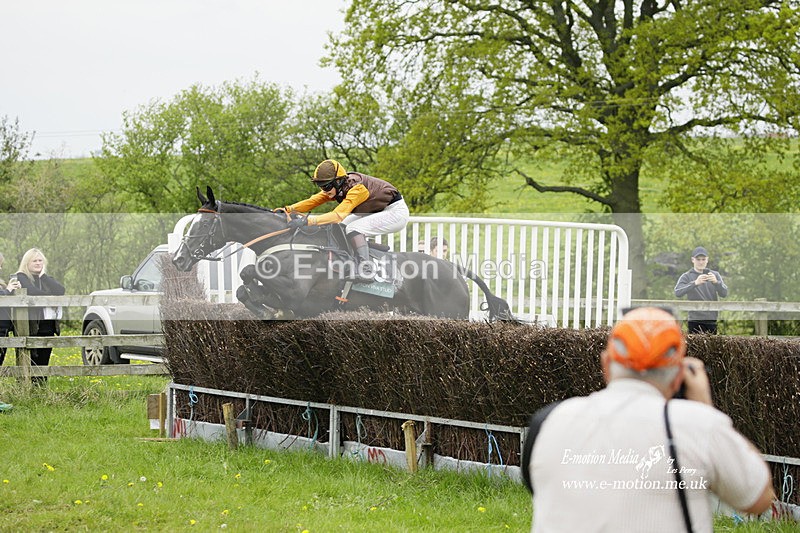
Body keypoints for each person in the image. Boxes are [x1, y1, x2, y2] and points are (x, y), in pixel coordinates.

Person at [521, 307, 774, 533]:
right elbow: (757, 498)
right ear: (678, 376)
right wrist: (706, 408)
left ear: (606, 364)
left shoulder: (547, 422)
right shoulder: (698, 426)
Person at [277, 159, 410, 281]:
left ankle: (366, 269)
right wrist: (288, 209)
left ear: (338, 181)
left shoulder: (357, 189)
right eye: (321, 186)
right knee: (341, 227)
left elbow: (336, 216)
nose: (324, 190)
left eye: (327, 186)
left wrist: (308, 221)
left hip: (395, 212)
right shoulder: (338, 187)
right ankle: (351, 261)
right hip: (376, 211)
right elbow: (313, 201)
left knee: (353, 228)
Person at [14, 248, 65, 379]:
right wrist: (50, 299)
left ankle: (41, 392)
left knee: (43, 364)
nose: (38, 263)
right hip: (30, 327)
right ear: (27, 263)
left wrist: (44, 276)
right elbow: (33, 292)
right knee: (30, 362)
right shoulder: (21, 277)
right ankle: (26, 391)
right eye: (34, 261)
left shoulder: (46, 279)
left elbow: (60, 290)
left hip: (47, 327)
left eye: (40, 260)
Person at [674, 246, 728, 333]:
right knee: (694, 346)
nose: (701, 262)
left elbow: (725, 293)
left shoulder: (715, 275)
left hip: (711, 320)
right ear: (693, 260)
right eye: (698, 259)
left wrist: (716, 282)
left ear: (707, 260)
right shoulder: (687, 276)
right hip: (694, 320)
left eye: (703, 259)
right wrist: (695, 283)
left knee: (711, 346)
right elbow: (677, 292)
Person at [0, 252, 21, 366]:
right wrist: (7, 291)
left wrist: (15, 290)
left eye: (1, 265)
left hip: (3, 328)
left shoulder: (2, 284)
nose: (0, 268)